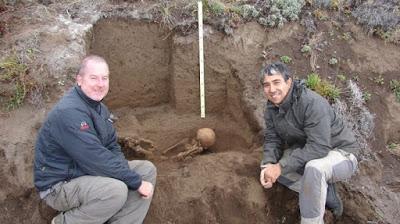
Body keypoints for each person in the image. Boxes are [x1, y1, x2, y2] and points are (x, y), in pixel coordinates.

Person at [34, 55, 156, 224]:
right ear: (79, 80)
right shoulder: (69, 112)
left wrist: (126, 172)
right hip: (60, 185)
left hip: (85, 172)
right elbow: (95, 156)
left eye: (104, 78)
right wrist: (134, 182)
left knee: (146, 170)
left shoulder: (99, 108)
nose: (100, 84)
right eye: (93, 78)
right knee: (116, 190)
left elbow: (112, 146)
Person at [259, 62, 359, 224]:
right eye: (266, 85)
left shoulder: (311, 103)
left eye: (276, 82)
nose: (271, 89)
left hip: (341, 154)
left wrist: (281, 166)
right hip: (308, 151)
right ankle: (326, 193)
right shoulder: (271, 108)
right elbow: (273, 138)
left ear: (289, 82)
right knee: (271, 168)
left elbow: (319, 147)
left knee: (314, 169)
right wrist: (269, 164)